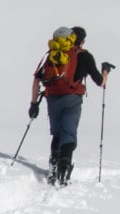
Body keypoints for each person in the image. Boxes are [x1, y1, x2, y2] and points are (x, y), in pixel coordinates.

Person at [29, 25, 113, 185]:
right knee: (69, 133)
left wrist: (34, 104)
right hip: (72, 98)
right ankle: (64, 169)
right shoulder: (84, 56)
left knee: (57, 133)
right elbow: (100, 82)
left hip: (52, 98)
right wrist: (105, 71)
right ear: (81, 41)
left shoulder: (52, 55)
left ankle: (53, 165)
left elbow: (36, 80)